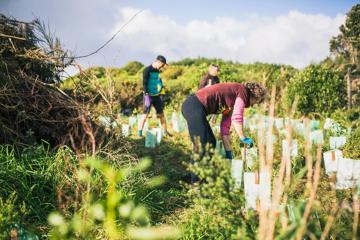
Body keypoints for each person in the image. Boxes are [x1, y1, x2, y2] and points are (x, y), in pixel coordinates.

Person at [181, 82, 266, 161]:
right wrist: (243, 137)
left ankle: (202, 174)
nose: (253, 105)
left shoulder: (231, 102)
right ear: (255, 95)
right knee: (201, 145)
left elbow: (225, 128)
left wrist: (228, 152)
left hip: (197, 109)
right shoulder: (243, 91)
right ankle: (196, 176)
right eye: (256, 102)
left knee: (211, 142)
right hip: (193, 105)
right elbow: (237, 117)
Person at [138, 55, 170, 137]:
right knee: (145, 115)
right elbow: (144, 84)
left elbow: (159, 82)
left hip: (156, 96)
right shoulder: (147, 70)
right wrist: (146, 96)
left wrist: (161, 90)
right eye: (162, 65)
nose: (162, 67)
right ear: (158, 62)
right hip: (148, 96)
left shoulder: (158, 71)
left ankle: (165, 132)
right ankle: (140, 133)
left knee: (162, 114)